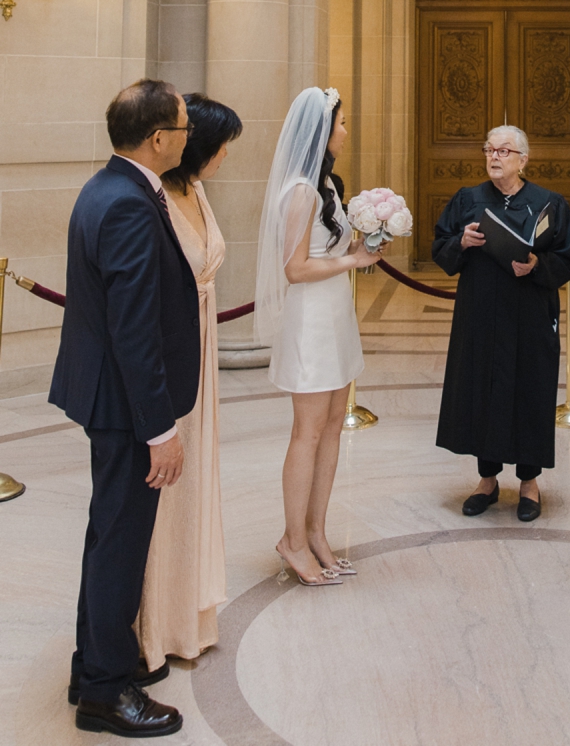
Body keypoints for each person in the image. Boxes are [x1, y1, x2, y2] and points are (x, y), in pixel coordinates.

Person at [49, 80, 200, 738]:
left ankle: (95, 663)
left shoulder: (104, 187)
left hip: (104, 392)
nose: (188, 136)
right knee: (119, 543)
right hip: (125, 402)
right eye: (184, 126)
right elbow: (133, 327)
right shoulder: (132, 204)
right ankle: (107, 695)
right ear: (159, 138)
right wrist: (160, 429)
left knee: (106, 533)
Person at [254, 87, 379, 586]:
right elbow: (295, 268)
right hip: (309, 320)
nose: (347, 131)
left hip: (335, 316)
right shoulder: (301, 189)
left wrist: (368, 239)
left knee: (332, 426)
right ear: (322, 131)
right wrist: (353, 260)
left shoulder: (325, 184)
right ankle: (292, 539)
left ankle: (317, 531)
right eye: (342, 123)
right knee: (307, 431)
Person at [137, 94, 243, 673]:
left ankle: (189, 614)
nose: (227, 156)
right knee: (165, 489)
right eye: (223, 145)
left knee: (196, 481)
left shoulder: (197, 192)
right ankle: (154, 623)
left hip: (201, 349)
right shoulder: (152, 201)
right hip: (171, 355)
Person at [433, 125, 570, 521]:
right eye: (489, 150)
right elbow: (439, 248)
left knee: (527, 390)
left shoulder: (549, 203)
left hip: (528, 315)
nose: (494, 157)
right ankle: (487, 480)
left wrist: (536, 264)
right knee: (483, 388)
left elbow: (568, 260)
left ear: (523, 159)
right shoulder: (468, 199)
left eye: (504, 151)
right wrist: (460, 242)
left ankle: (529, 482)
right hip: (479, 314)